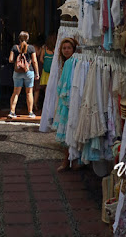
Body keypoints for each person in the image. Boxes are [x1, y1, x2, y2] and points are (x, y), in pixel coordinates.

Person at [55, 37, 77, 171]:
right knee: (67, 132)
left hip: (70, 101)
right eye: (64, 48)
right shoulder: (66, 63)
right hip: (66, 102)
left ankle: (68, 161)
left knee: (69, 131)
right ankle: (68, 160)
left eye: (69, 48)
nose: (66, 50)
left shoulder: (73, 63)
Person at [8, 31, 39, 119]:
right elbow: (34, 61)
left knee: (16, 92)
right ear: (28, 38)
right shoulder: (31, 48)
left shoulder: (15, 47)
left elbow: (10, 60)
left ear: (19, 38)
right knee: (29, 92)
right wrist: (37, 73)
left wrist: (17, 62)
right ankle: (30, 112)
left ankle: (12, 112)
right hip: (29, 72)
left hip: (17, 72)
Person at [33, 33, 45, 113]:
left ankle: (33, 104)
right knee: (38, 89)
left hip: (32, 68)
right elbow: (41, 59)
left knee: (32, 89)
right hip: (40, 69)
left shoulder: (33, 47)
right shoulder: (43, 48)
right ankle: (35, 104)